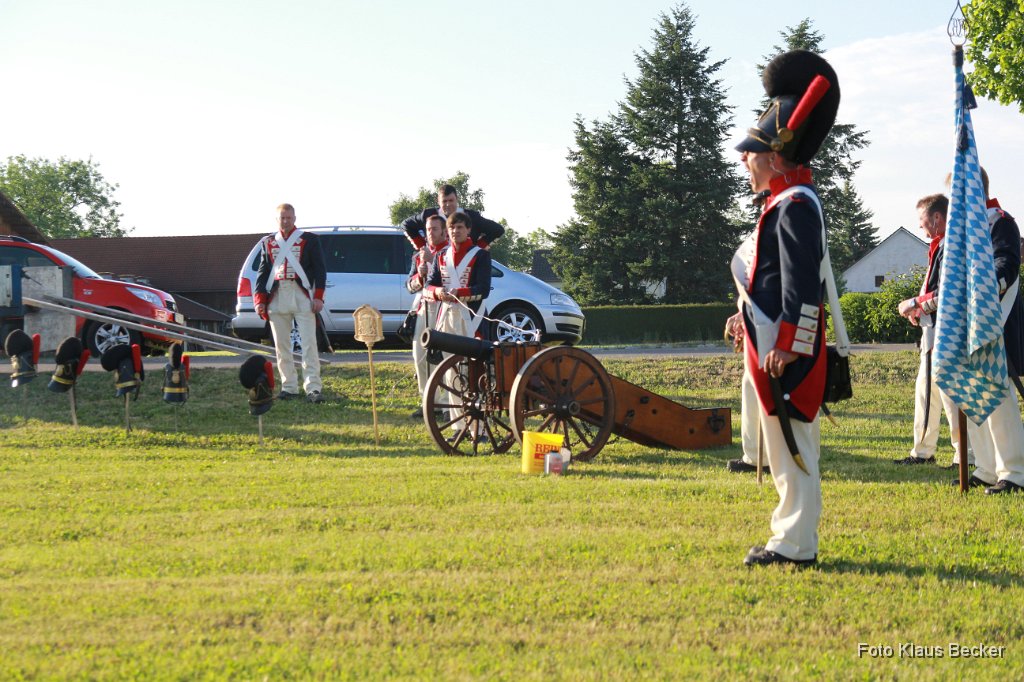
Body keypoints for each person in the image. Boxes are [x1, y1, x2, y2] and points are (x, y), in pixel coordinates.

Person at [732, 50, 841, 567]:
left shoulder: (796, 205)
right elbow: (771, 280)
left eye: (752, 151)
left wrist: (786, 344)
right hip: (774, 342)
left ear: (776, 156)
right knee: (782, 445)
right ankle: (787, 536)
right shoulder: (783, 202)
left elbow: (802, 288)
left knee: (795, 447)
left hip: (787, 349)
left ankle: (796, 546)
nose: (745, 160)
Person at [948, 170, 1024, 494]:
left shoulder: (1000, 221)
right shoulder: (965, 231)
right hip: (968, 322)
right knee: (971, 393)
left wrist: (978, 292)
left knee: (999, 396)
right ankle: (987, 467)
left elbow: (1006, 264)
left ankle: (1016, 471)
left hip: (996, 319)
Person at [894, 194, 969, 468]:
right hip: (934, 326)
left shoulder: (950, 246)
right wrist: (920, 308)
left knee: (946, 393)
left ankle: (959, 454)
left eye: (922, 220)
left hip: (944, 330)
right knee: (930, 392)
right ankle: (931, 451)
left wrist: (915, 304)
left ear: (936, 218)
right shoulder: (943, 245)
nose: (920, 227)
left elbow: (948, 290)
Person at [425, 212, 492, 441]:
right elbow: (429, 286)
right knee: (451, 374)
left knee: (475, 373)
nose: (455, 231)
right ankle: (459, 426)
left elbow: (483, 288)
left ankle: (480, 429)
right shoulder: (442, 256)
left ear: (468, 230)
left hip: (472, 317)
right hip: (447, 316)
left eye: (460, 227)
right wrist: (438, 292)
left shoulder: (480, 255)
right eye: (452, 228)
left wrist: (459, 293)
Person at [253, 203, 328, 404]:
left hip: (302, 293)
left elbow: (320, 270)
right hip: (277, 295)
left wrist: (319, 296)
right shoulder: (268, 242)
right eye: (282, 218)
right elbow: (263, 273)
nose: (286, 221)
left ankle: (313, 388)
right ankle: (289, 387)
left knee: (309, 344)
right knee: (281, 346)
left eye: (289, 218)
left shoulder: (310, 240)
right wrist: (260, 300)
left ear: (294, 218)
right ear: (277, 220)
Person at [407, 214, 448, 417]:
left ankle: (450, 403)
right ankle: (429, 401)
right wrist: (420, 275)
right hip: (424, 307)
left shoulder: (450, 252)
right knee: (420, 356)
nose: (430, 233)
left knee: (446, 357)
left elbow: (451, 280)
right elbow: (410, 286)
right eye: (428, 229)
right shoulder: (419, 255)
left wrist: (434, 263)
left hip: (445, 307)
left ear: (443, 231)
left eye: (434, 229)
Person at [401, 183, 504, 253]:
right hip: (435, 262)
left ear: (457, 199)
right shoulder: (429, 215)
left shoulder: (471, 217)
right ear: (438, 201)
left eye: (451, 200)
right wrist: (422, 247)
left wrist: (477, 249)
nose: (448, 204)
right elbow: (406, 224)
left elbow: (497, 230)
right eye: (444, 201)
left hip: (464, 262)